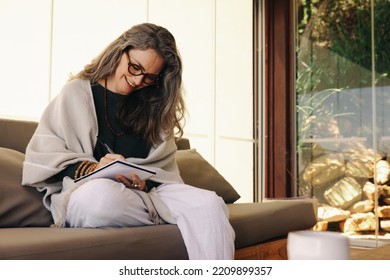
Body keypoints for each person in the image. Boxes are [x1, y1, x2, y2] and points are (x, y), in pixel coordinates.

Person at [22, 23, 235, 260]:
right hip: (90, 192)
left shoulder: (154, 105)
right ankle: (173, 217)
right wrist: (96, 168)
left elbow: (160, 171)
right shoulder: (76, 93)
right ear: (120, 51)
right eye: (135, 67)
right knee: (100, 198)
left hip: (146, 196)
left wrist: (143, 184)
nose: (137, 80)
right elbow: (47, 154)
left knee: (210, 205)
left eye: (149, 77)